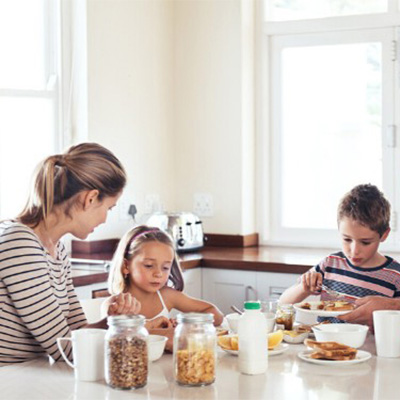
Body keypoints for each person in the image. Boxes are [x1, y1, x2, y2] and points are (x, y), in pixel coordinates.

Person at [0, 143, 165, 366]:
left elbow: (77, 332)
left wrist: (112, 322)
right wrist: (137, 334)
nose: (105, 218)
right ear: (90, 198)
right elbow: (66, 349)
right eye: (108, 208)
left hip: (27, 375)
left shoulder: (57, 250)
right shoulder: (20, 244)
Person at [279, 184, 400, 324]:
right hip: (324, 344)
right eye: (347, 239)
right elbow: (283, 302)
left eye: (365, 242)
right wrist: (304, 288)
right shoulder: (330, 264)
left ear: (384, 235)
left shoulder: (395, 275)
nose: (354, 251)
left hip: (371, 346)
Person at [106, 225, 224, 348]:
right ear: (126, 266)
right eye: (149, 265)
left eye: (165, 267)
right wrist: (163, 333)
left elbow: (216, 314)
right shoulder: (116, 305)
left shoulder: (167, 296)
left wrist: (185, 325)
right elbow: (116, 338)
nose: (158, 274)